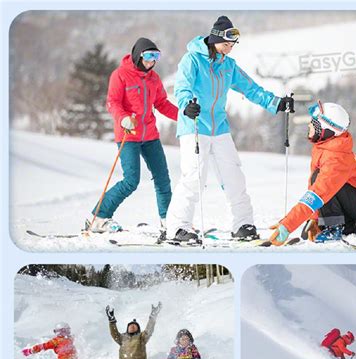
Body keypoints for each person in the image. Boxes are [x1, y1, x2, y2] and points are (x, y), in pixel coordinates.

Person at [166, 15, 294, 243]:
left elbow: (251, 89)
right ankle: (177, 227)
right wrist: (187, 106)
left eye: (233, 45)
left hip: (220, 128)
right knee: (194, 177)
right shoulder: (192, 60)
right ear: (214, 39)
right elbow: (182, 86)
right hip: (194, 125)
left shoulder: (229, 66)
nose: (230, 48)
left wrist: (276, 103)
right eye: (226, 44)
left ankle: (242, 224)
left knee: (234, 176)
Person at [86, 37, 178, 237]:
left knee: (163, 179)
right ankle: (99, 217)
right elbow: (112, 102)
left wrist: (184, 116)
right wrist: (124, 118)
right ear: (138, 56)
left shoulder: (154, 78)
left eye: (156, 56)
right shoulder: (120, 75)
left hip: (150, 135)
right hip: (128, 134)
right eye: (148, 56)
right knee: (131, 181)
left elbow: (162, 103)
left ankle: (168, 221)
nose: (152, 61)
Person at [269, 100, 356, 245]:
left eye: (314, 123)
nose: (309, 125)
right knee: (319, 181)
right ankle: (348, 227)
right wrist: (316, 219)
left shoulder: (336, 158)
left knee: (322, 183)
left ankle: (335, 227)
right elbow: (315, 188)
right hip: (351, 203)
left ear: (325, 130)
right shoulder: (324, 147)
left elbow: (318, 192)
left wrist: (287, 225)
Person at [96, 303, 162, 359]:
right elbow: (114, 333)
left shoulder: (142, 337)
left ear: (138, 329)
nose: (132, 327)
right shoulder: (122, 338)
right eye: (130, 326)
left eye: (135, 326)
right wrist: (111, 320)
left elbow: (149, 330)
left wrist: (153, 316)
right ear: (127, 328)